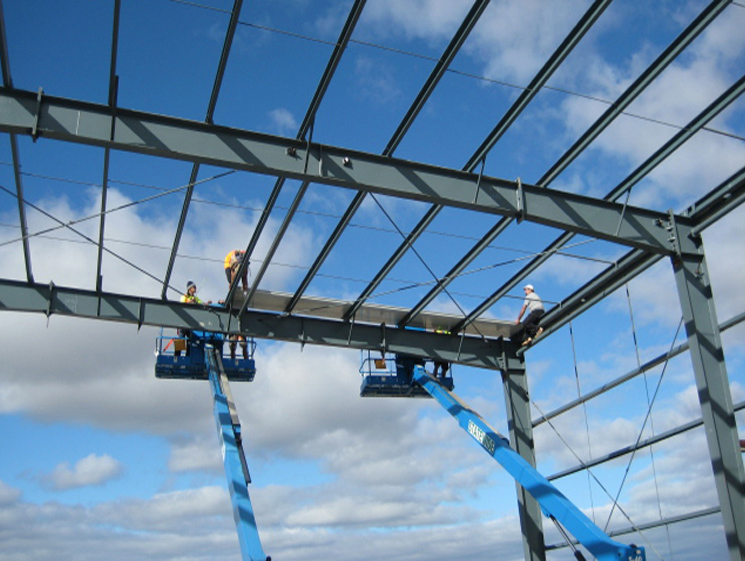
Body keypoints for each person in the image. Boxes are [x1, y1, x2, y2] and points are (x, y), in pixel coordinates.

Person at [176, 281, 211, 356]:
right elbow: (182, 305)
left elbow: (201, 303)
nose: (195, 288)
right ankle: (177, 356)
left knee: (190, 341)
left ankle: (188, 356)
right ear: (189, 289)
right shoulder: (184, 297)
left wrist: (207, 303)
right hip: (183, 322)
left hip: (190, 323)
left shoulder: (195, 298)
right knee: (180, 339)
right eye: (193, 287)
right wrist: (190, 302)